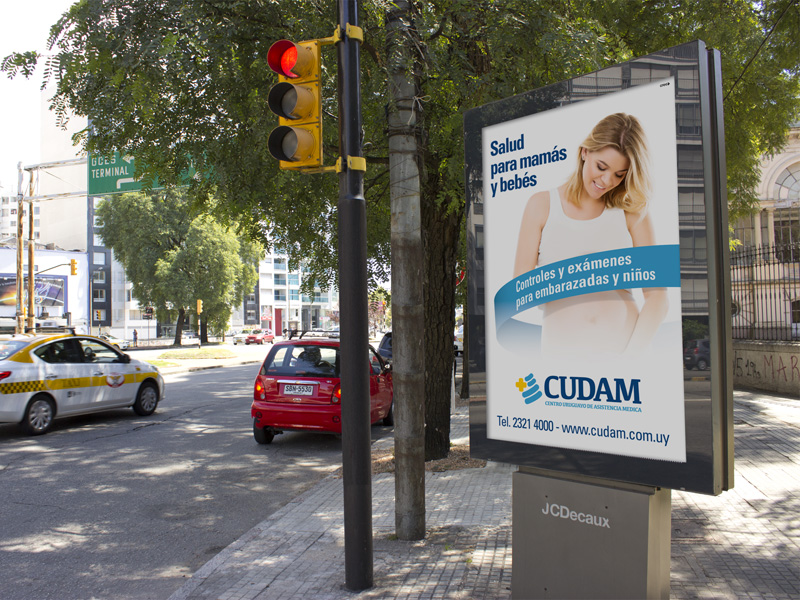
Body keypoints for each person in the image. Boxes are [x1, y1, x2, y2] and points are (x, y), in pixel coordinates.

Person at [513, 113, 668, 355]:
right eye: (601, 167)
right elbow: (520, 288)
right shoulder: (541, 205)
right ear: (585, 152)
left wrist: (632, 357)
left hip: (623, 353)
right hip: (561, 355)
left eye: (619, 174)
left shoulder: (632, 212)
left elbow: (658, 297)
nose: (607, 180)